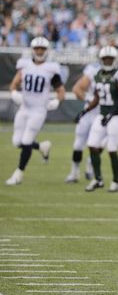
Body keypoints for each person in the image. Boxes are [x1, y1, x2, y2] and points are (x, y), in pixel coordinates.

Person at [6, 36, 65, 185]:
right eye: (37, 48)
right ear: (32, 50)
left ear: (46, 50)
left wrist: (56, 101)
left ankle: (18, 174)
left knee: (26, 141)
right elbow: (13, 84)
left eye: (42, 49)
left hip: (39, 110)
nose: (39, 51)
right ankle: (42, 146)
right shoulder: (24, 65)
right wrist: (14, 94)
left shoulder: (51, 69)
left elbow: (61, 92)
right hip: (24, 108)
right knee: (17, 141)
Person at [75, 46, 118, 192]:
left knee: (112, 149)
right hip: (102, 115)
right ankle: (98, 179)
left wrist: (111, 114)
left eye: (110, 59)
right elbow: (98, 97)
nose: (107, 61)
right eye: (105, 59)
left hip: (116, 116)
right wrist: (85, 111)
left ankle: (116, 181)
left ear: (115, 59)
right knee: (92, 145)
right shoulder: (98, 74)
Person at [65, 56, 100, 183]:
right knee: (79, 143)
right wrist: (89, 99)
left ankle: (90, 166)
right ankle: (74, 173)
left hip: (104, 113)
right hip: (89, 112)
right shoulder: (93, 70)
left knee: (100, 144)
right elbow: (77, 89)